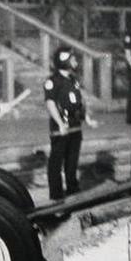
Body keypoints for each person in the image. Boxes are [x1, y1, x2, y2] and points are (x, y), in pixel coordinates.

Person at [44, 45, 97, 201]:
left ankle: (72, 187)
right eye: (72, 59)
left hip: (75, 125)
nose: (75, 61)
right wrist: (60, 123)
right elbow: (50, 103)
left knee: (72, 159)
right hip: (62, 127)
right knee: (56, 160)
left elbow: (80, 102)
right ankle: (56, 193)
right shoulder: (53, 81)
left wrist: (87, 119)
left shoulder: (73, 80)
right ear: (64, 61)